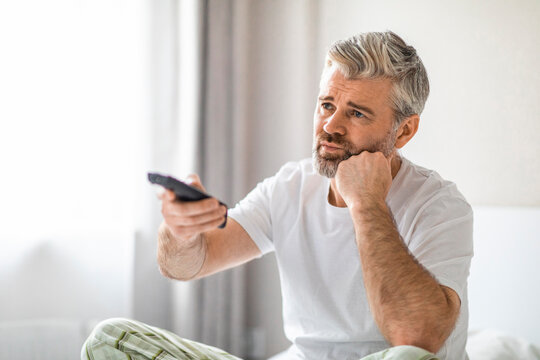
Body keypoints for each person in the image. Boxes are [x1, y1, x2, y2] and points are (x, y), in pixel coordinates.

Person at [82, 31, 473, 360]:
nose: (330, 126)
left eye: (356, 114)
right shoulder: (291, 186)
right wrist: (180, 232)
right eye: (326, 105)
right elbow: (187, 265)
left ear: (403, 132)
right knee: (111, 338)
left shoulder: (440, 206)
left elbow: (418, 336)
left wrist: (366, 203)